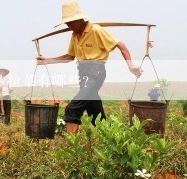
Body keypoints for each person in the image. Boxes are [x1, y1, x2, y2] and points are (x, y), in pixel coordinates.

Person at [36, 0, 143, 134]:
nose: (69, 26)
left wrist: (131, 65)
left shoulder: (96, 30)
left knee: (72, 109)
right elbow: (70, 56)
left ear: (80, 19)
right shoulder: (75, 35)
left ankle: (73, 149)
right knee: (94, 111)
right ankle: (112, 138)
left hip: (95, 72)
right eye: (67, 23)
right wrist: (47, 60)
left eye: (71, 22)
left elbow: (121, 45)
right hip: (83, 73)